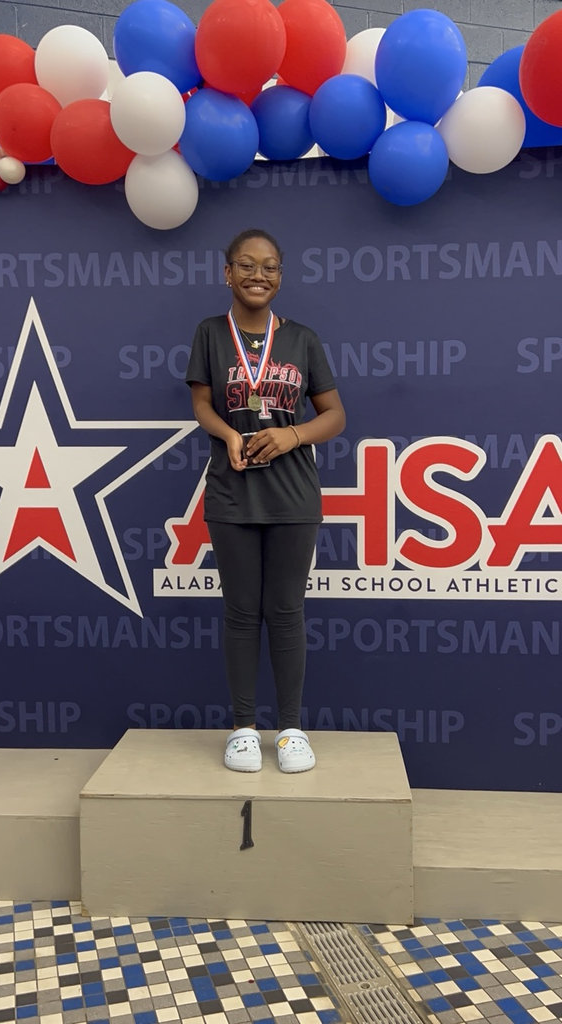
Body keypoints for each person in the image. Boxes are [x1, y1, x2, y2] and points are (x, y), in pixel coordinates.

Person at [186, 228, 346, 774]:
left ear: (281, 275)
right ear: (226, 272)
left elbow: (334, 416)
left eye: (271, 266)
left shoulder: (302, 338)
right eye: (247, 265)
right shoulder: (210, 333)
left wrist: (292, 435)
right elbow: (202, 404)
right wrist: (228, 435)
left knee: (285, 611)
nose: (259, 275)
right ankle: (244, 728)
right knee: (239, 612)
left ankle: (292, 729)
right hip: (232, 492)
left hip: (293, 494)